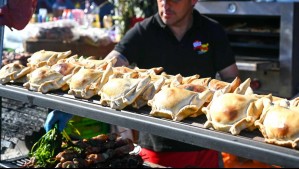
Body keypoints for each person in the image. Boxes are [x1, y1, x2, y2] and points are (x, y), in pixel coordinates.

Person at [44, 0, 239, 167]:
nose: (165, 5)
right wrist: (71, 103)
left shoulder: (211, 31)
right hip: (157, 145)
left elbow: (231, 79)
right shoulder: (143, 32)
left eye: (174, 0)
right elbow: (107, 67)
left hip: (204, 144)